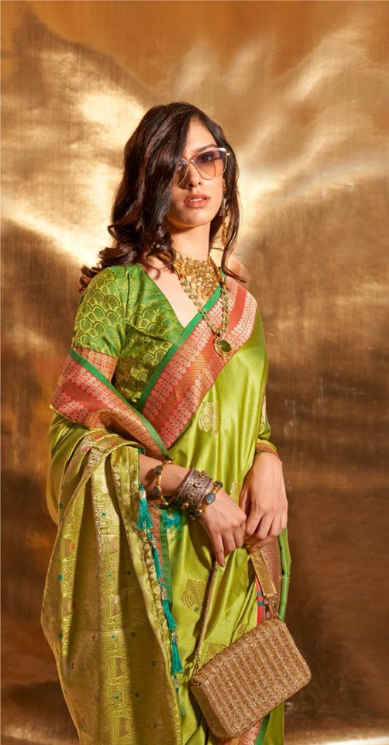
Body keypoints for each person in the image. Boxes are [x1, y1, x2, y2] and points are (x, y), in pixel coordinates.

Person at [40, 102, 291, 745]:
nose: (194, 178)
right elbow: (72, 434)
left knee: (243, 715)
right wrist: (192, 488)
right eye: (172, 165)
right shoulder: (119, 292)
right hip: (159, 552)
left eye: (207, 158)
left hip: (242, 551)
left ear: (226, 171)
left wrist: (269, 462)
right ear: (147, 182)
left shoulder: (241, 301)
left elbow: (251, 422)